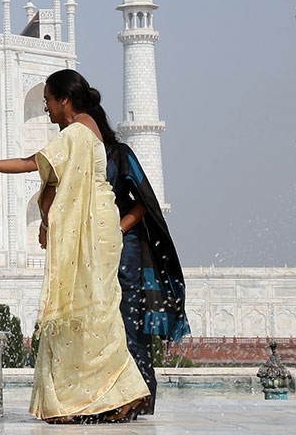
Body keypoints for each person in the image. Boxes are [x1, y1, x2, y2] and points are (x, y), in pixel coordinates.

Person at [0, 69, 149, 424]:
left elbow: (30, 164)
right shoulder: (90, 129)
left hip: (90, 231)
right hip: (99, 228)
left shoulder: (75, 133)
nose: (46, 109)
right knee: (96, 314)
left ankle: (88, 397)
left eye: (47, 101)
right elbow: (56, 181)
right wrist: (47, 220)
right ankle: (116, 393)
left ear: (64, 99)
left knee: (78, 314)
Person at [105, 139, 189, 415]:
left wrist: (119, 228)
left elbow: (143, 201)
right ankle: (112, 395)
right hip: (94, 245)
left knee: (130, 319)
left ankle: (139, 395)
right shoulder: (79, 151)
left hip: (124, 242)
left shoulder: (118, 154)